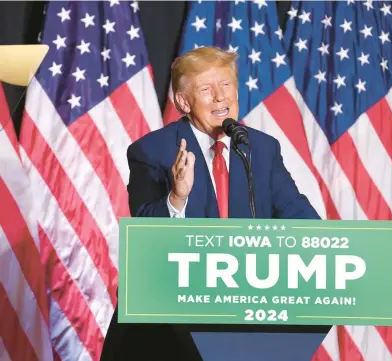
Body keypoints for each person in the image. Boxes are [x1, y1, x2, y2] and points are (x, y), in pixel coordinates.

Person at [100, 46, 320, 361]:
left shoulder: (260, 148)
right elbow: (145, 231)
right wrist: (177, 196)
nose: (220, 97)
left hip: (243, 321)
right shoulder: (153, 151)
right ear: (183, 101)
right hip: (167, 330)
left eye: (226, 85)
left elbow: (300, 216)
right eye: (206, 89)